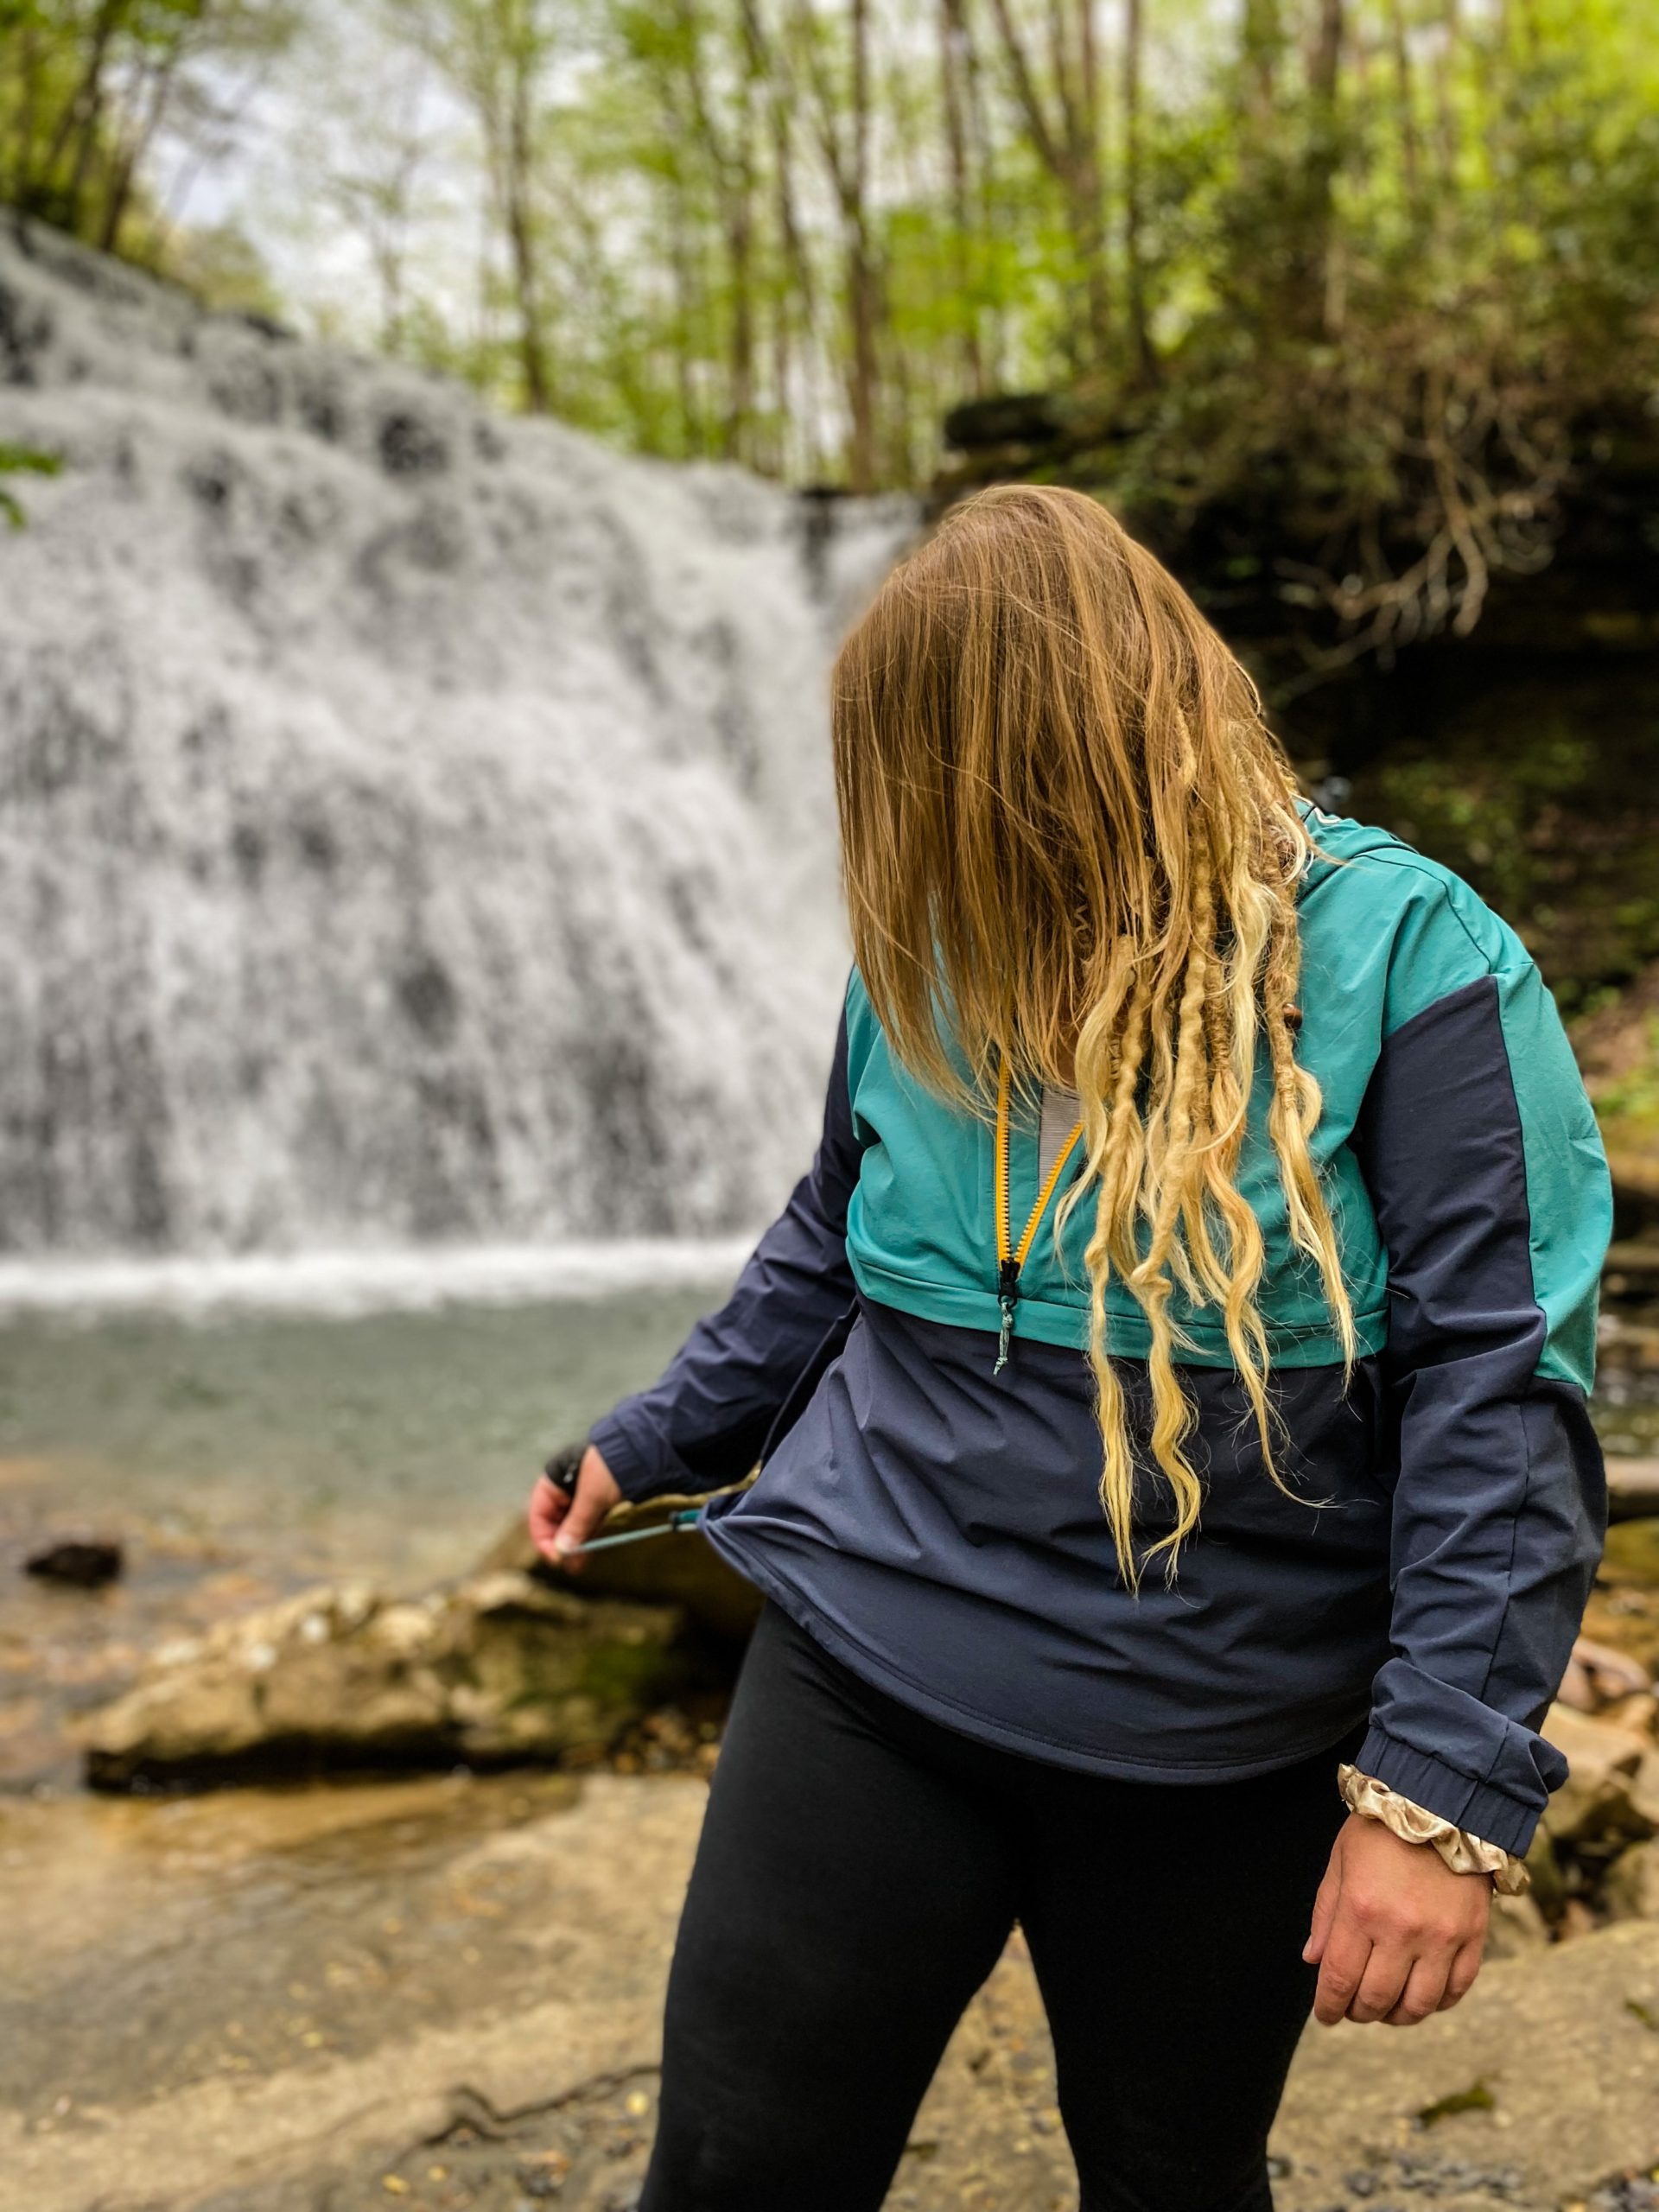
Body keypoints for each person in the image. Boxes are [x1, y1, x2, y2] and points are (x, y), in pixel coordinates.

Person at [526, 485, 1611, 2212]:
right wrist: (654, 1435)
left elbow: (1502, 1385)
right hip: (868, 1649)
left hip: (1228, 1718)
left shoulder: (1415, 959)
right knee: (733, 2174)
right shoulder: (931, 940)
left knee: (1171, 2177)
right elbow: (835, 1229)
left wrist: (1435, 1791)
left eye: (931, 776)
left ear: (1051, 751)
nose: (913, 838)